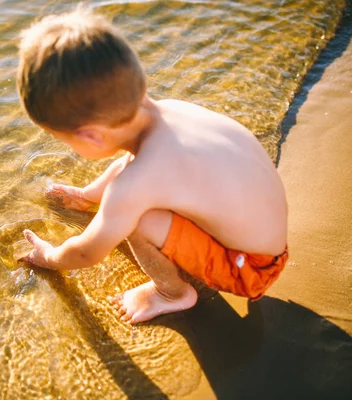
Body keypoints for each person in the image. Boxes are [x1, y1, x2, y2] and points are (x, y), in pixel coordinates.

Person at [16, 8, 288, 324]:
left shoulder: (135, 184)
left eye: (65, 140)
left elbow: (87, 254)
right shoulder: (170, 113)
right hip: (266, 239)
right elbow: (137, 167)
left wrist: (48, 256)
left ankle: (172, 293)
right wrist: (96, 196)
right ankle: (89, 197)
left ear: (90, 136)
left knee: (137, 217)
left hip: (251, 270)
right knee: (133, 174)